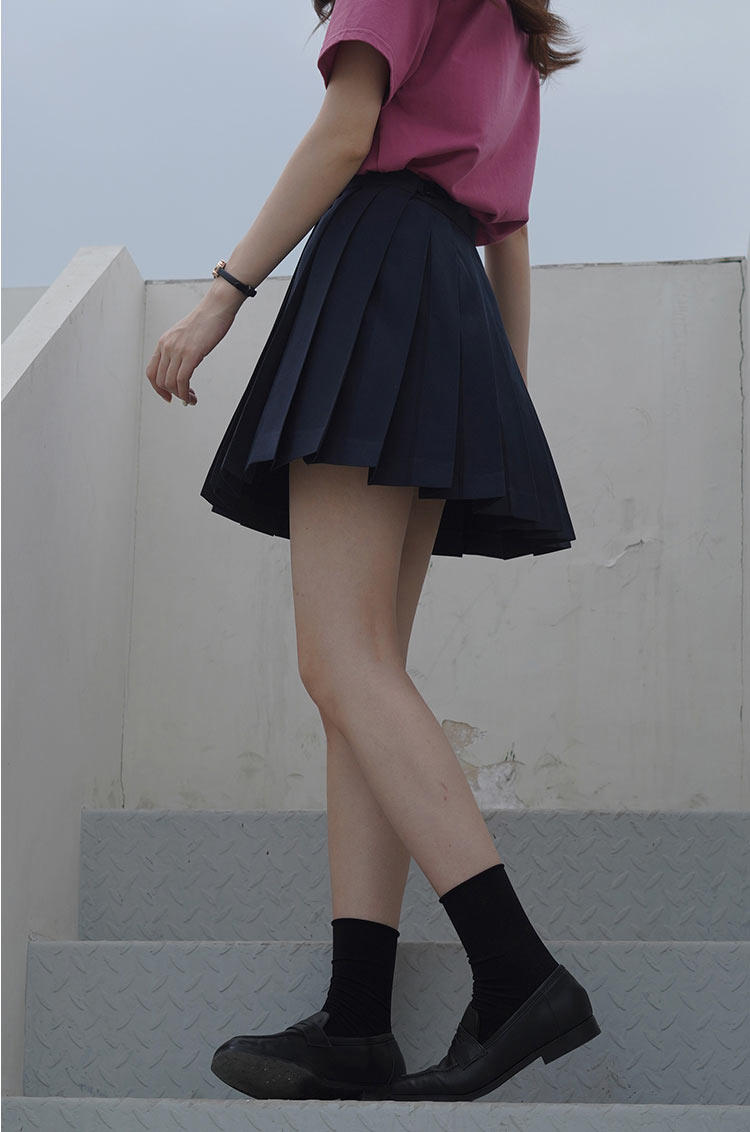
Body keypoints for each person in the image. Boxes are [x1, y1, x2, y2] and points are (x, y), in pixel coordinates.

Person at [145, 0, 600, 1104]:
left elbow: (347, 132)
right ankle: (357, 1019)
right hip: (447, 307)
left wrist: (221, 296)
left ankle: (516, 969)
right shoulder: (512, 30)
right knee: (364, 677)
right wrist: (499, 391)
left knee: (339, 661)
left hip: (378, 279)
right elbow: (510, 231)